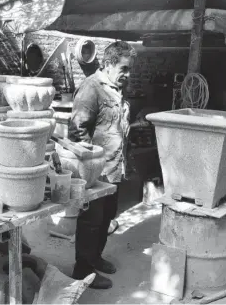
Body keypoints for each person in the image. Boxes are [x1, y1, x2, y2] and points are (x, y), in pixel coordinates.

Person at [68, 41, 136, 289]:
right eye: (124, 69)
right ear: (108, 64)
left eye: (130, 70)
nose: (128, 75)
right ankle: (82, 271)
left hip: (114, 169)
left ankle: (95, 257)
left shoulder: (115, 88)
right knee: (91, 221)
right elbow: (77, 131)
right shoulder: (91, 88)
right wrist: (90, 168)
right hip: (96, 173)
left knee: (107, 217)